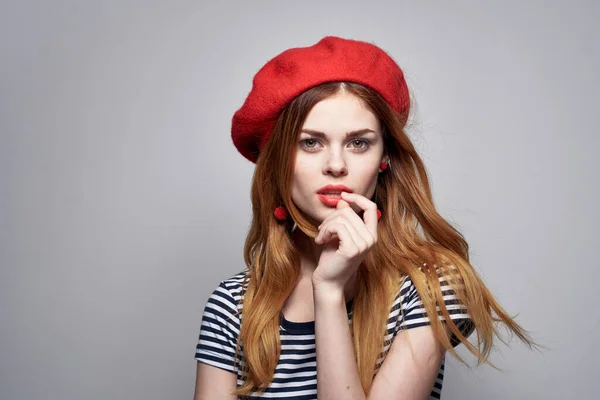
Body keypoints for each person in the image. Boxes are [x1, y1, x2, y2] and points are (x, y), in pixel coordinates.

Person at [193, 36, 538, 399]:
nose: (337, 165)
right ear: (279, 160)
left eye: (359, 142)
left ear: (383, 157)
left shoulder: (430, 287)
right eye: (310, 142)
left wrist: (328, 293)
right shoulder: (233, 304)